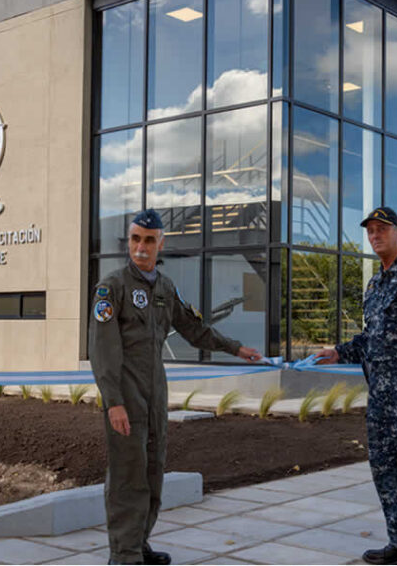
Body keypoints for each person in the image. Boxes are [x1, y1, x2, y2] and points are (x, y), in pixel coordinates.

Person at [89, 209, 262, 565]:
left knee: (153, 472)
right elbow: (102, 350)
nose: (140, 247)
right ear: (129, 240)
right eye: (135, 238)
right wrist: (114, 403)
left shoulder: (165, 288)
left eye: (149, 240)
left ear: (160, 244)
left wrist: (236, 348)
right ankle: (124, 555)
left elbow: (195, 329)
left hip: (156, 394)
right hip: (126, 395)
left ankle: (139, 543)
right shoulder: (112, 287)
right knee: (127, 476)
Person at [314, 206, 397, 565]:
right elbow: (373, 338)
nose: (375, 235)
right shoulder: (376, 284)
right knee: (385, 470)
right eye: (371, 230)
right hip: (381, 397)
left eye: (382, 229)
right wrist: (338, 352)